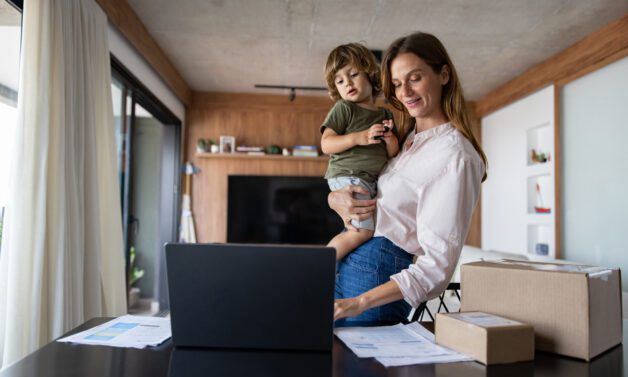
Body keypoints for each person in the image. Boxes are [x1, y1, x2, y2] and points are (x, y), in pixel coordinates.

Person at [330, 32, 487, 326]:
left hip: (375, 281)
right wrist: (334, 198)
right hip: (352, 266)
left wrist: (359, 302)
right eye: (398, 84)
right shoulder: (407, 142)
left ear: (443, 74)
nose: (405, 92)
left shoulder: (455, 156)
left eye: (415, 78)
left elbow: (437, 266)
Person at [320, 43, 399, 261]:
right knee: (361, 232)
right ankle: (319, 265)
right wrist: (359, 137)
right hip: (348, 175)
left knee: (361, 229)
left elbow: (393, 154)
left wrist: (391, 139)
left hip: (368, 179)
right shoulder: (345, 109)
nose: (348, 83)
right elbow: (326, 144)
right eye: (340, 80)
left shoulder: (385, 114)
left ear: (370, 75)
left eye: (353, 74)